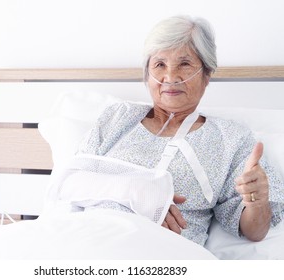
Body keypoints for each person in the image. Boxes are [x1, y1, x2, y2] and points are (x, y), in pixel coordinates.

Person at [61, 15, 284, 246]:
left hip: (165, 257)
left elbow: (255, 231)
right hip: (88, 243)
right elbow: (67, 184)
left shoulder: (230, 139)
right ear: (147, 74)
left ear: (207, 74)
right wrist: (137, 191)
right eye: (159, 65)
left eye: (184, 64)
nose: (170, 77)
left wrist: (257, 201)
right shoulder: (116, 118)